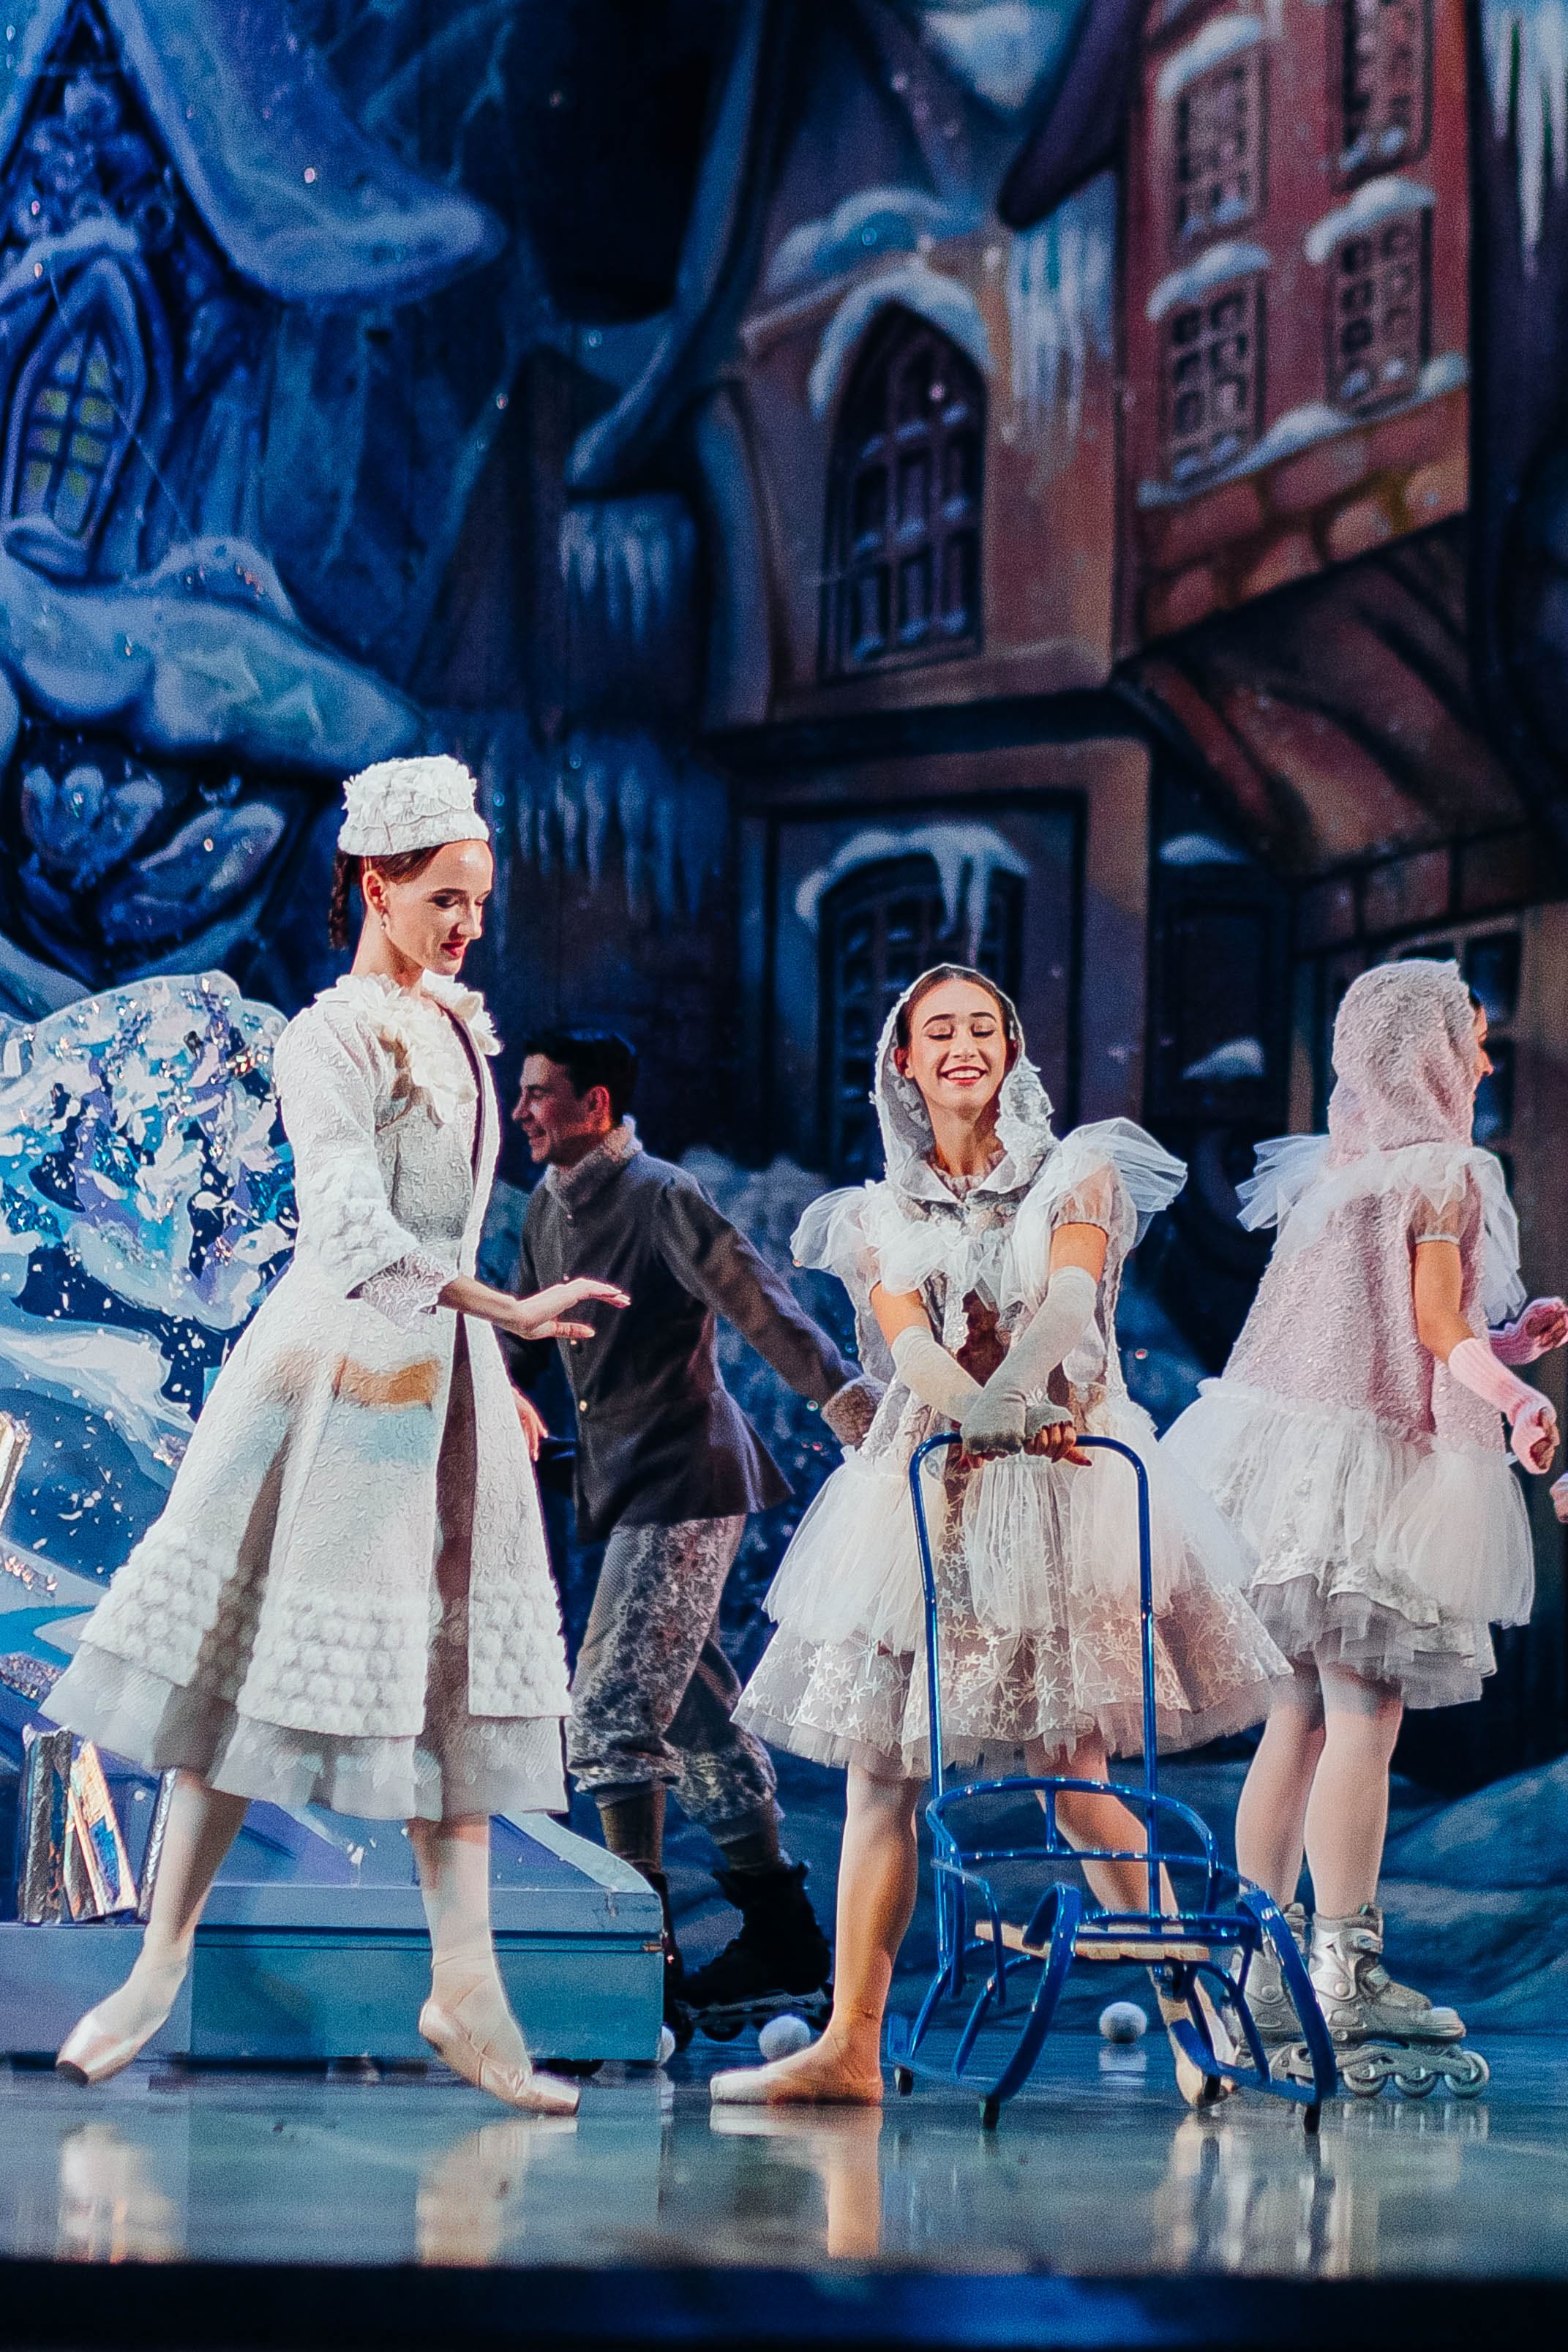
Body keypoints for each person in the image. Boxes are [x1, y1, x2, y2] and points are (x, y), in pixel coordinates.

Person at [42, 755, 628, 2115]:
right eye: (443, 897)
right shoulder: (332, 1038)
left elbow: (443, 1227)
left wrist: (487, 1363)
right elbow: (353, 1229)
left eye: (478, 900)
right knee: (249, 1682)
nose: (466, 923)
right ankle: (159, 1960)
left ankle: (466, 1985)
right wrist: (505, 1312)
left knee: (453, 1690)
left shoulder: (456, 1028)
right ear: (375, 884)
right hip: (338, 1382)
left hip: (442, 1382)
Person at [708, 965, 1286, 2106]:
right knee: (882, 1772)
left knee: (1071, 1770)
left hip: (1063, 1491)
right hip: (932, 1497)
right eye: (940, 1030)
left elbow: (1068, 1302)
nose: (963, 1044)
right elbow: (911, 1349)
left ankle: (1194, 2016)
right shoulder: (880, 1215)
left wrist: (1015, 1402)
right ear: (906, 1062)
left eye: (984, 1026)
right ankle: (852, 2043)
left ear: (1012, 1050)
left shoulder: (1076, 1174)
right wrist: (978, 1415)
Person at [1162, 959, 1563, 2061]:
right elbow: (1434, 1331)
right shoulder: (1446, 1172)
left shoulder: (1336, 1178)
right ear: (1427, 1052)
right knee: (1365, 1715)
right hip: (1367, 1477)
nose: (1484, 1063)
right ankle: (1347, 1970)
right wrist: (1517, 1396)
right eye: (1472, 1040)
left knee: (1296, 1718)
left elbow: (1386, 1330)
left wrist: (1509, 1340)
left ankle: (1261, 1962)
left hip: (1288, 1475)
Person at [509, 1030, 882, 2031]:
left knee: (612, 1712)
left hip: (688, 1481)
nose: (522, 1111)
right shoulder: (547, 1208)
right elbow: (524, 1339)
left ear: (594, 1104)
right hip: (627, 1489)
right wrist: (490, 1391)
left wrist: (841, 1395)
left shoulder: (660, 1194)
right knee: (695, 1713)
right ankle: (784, 1940)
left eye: (540, 1094)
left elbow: (756, 1301)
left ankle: (637, 1968)